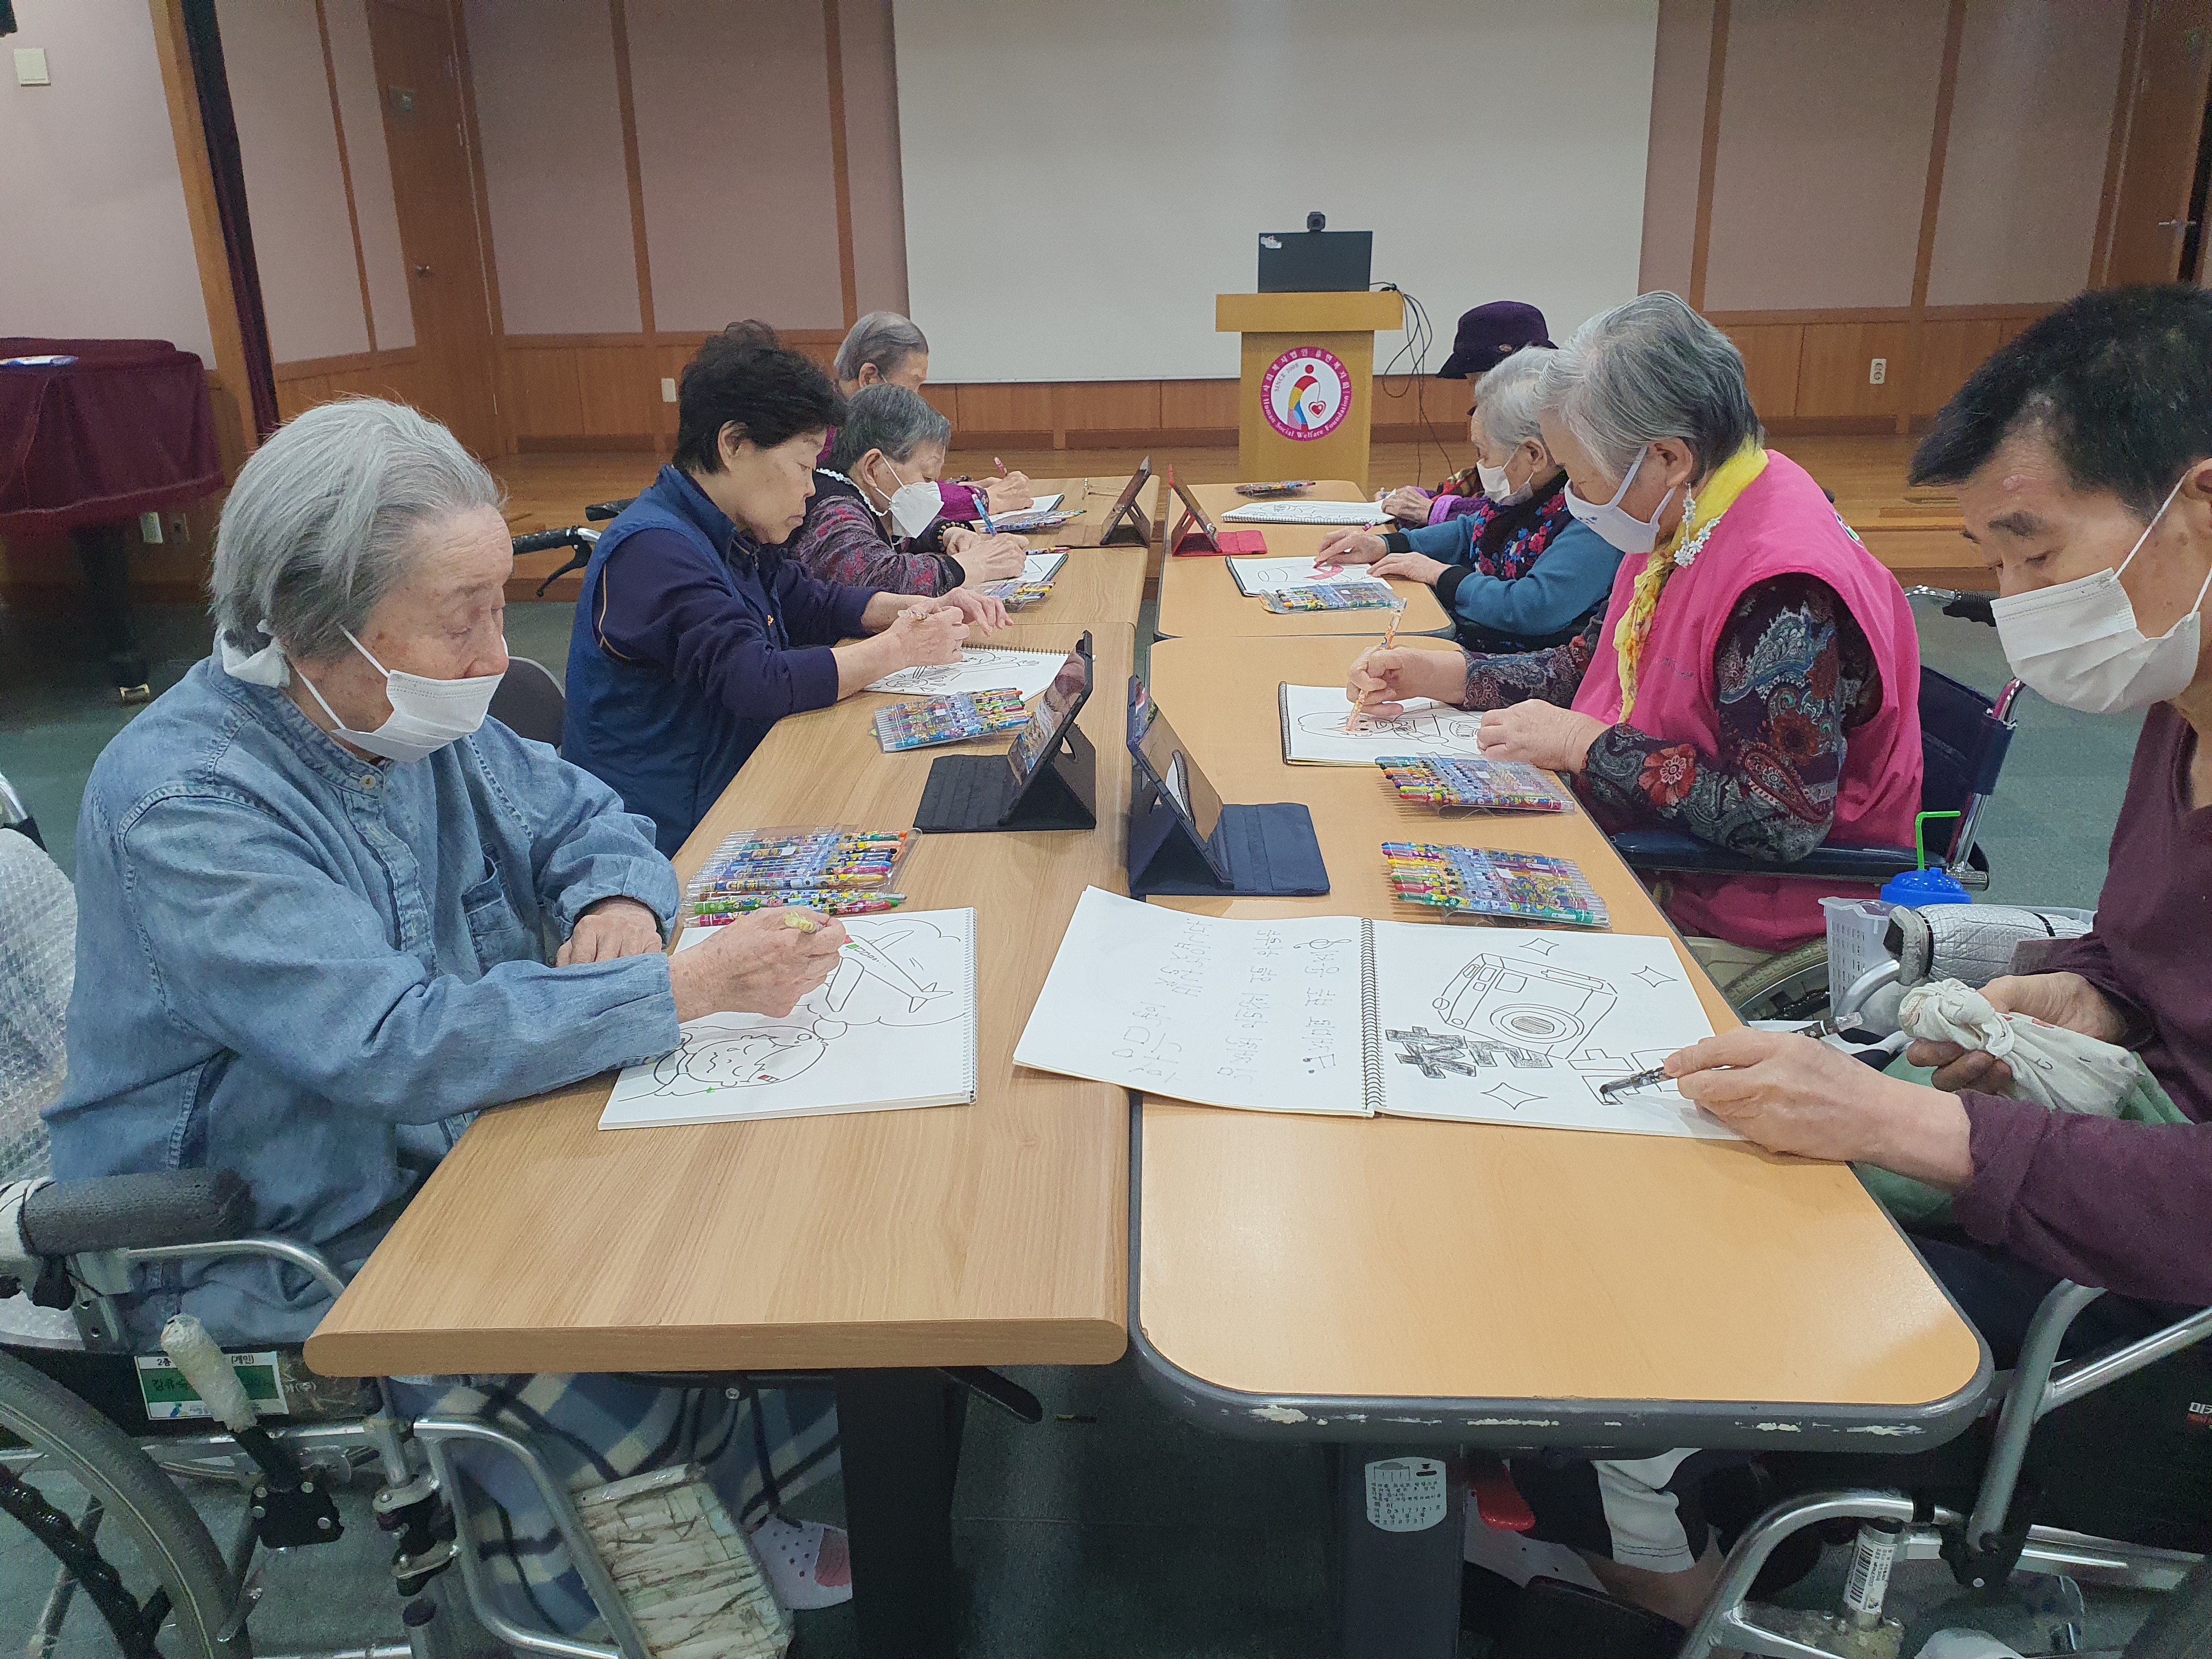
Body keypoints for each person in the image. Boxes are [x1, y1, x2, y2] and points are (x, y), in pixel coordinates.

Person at [46, 397, 861, 1628]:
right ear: (310, 626)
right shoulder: (192, 804)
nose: (495, 655)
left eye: (498, 605)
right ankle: (656, 1605)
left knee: (730, 1232)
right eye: (462, 615)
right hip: (262, 1233)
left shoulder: (399, 715)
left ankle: (730, 1523)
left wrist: (620, 904)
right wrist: (678, 984)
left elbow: (590, 816)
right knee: (599, 1333)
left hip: (444, 1149)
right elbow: (391, 1040)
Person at [1500, 285, 2212, 1641]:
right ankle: (1677, 1528)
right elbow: (2155, 955)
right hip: (2079, 1168)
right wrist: (2093, 987)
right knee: (1660, 1184)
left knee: (1626, 1308)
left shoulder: (1781, 568)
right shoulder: (2181, 715)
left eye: (2034, 551)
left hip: (2139, 1309)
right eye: (1993, 562)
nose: (2010, 604)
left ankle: (1676, 1580)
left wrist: (1913, 1125)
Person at [1347, 293, 1922, 978]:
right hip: (1647, 849)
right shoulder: (1688, 515)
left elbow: (1781, 819)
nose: (1573, 500)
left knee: (1431, 955)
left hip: (1734, 906)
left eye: (1581, 477)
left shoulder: (1780, 588)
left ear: (1668, 457)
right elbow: (1587, 667)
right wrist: (1444, 674)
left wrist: (1585, 745)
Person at [563, 323, 1008, 855]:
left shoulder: (729, 529)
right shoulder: (654, 550)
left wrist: (919, 606)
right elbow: (757, 681)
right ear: (734, 444)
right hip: (670, 839)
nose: (809, 488)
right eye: (802, 466)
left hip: (740, 788)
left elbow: (813, 602)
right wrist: (899, 648)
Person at [1313, 347, 1621, 653]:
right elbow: (1472, 530)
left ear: (1533, 455)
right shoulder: (1529, 492)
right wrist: (1386, 545)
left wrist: (1442, 576)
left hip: (1519, 664)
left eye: (1483, 454)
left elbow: (1533, 607)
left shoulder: (1592, 517)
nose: (1479, 466)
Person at [789, 382, 1030, 594]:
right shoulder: (834, 511)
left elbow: (902, 529)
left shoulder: (870, 495)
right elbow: (880, 577)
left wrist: (948, 534)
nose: (930, 488)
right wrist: (974, 565)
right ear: (873, 468)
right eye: (926, 477)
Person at [826, 309, 1032, 518]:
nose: (917, 398)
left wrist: (963, 489)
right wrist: (981, 500)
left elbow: (897, 484)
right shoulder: (821, 434)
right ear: (870, 378)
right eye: (913, 384)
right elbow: (883, 504)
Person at [1376, 300, 1555, 526]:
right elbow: (1488, 492)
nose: (1476, 397)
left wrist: (1434, 510)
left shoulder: (1558, 427)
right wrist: (1421, 501)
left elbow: (1517, 512)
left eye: (1480, 383)